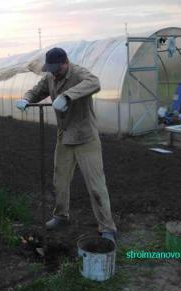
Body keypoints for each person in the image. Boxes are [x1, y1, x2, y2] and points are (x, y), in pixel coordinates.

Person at [16, 47, 117, 241]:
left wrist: (67, 96)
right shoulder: (50, 77)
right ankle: (61, 216)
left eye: (56, 68)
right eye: (50, 68)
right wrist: (26, 99)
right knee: (60, 181)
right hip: (65, 137)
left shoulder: (79, 73)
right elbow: (37, 90)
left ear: (65, 63)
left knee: (96, 186)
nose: (53, 72)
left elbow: (94, 83)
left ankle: (107, 228)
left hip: (86, 138)